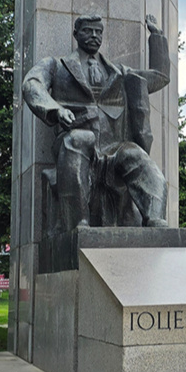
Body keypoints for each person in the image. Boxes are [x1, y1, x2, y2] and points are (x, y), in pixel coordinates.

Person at [22, 15, 170, 232]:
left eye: (98, 32)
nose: (93, 36)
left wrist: (156, 36)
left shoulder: (117, 72)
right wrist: (56, 110)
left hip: (112, 148)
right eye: (87, 31)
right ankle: (78, 223)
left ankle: (155, 219)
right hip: (76, 141)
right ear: (76, 34)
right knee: (80, 139)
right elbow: (32, 84)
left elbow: (160, 77)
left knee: (136, 155)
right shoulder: (56, 65)